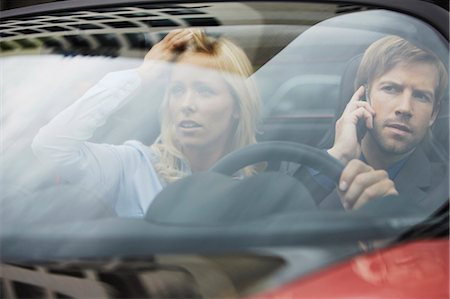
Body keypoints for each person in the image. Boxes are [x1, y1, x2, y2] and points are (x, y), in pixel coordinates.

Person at [31, 29, 261, 218]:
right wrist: (143, 73)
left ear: (238, 107)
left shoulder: (263, 185)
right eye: (177, 90)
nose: (186, 104)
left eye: (205, 91)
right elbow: (50, 144)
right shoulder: (133, 167)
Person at [308, 35, 448, 210]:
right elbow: (274, 218)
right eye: (390, 89)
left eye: (421, 96)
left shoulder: (444, 190)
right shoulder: (302, 166)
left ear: (434, 114)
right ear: (363, 96)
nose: (405, 108)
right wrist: (337, 158)